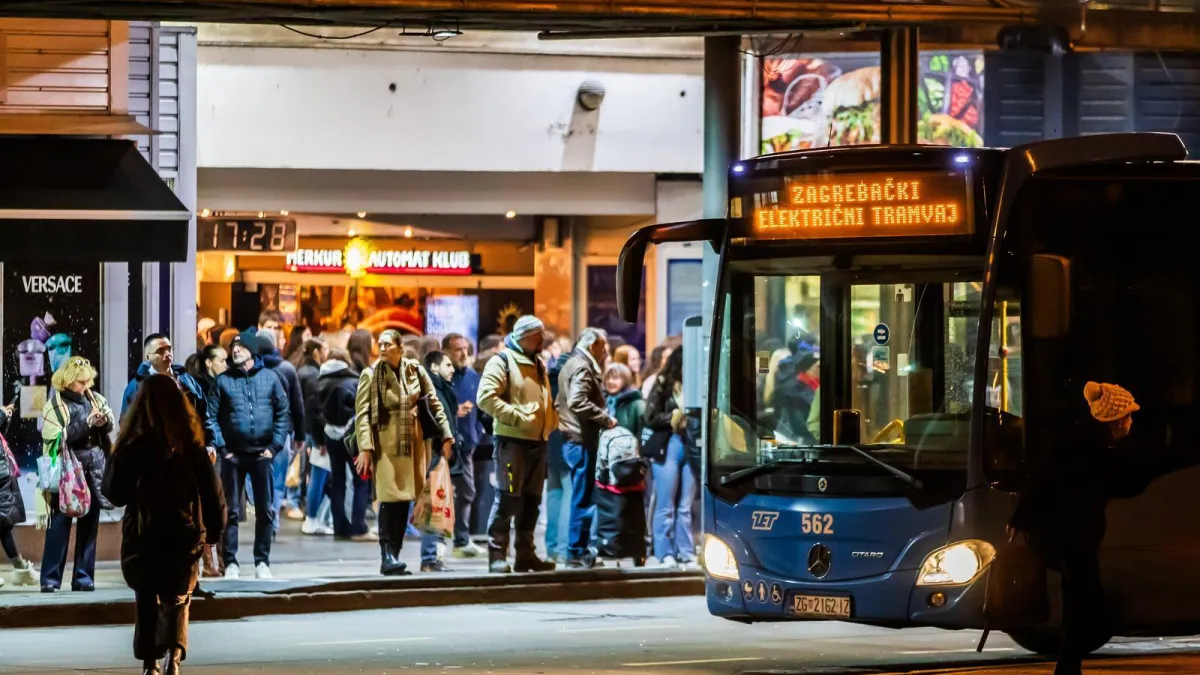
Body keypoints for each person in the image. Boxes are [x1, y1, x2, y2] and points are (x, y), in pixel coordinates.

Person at [1007, 382, 1150, 675]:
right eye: (1129, 415)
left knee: (1078, 598)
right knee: (1085, 601)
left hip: (1057, 535)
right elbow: (1128, 483)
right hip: (1073, 536)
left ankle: (1069, 665)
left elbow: (1040, 479)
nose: (1132, 422)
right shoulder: (1098, 451)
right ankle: (1069, 664)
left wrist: (1019, 519)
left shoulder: (1075, 442)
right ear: (1117, 419)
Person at [102, 375, 225, 675]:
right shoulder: (191, 446)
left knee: (146, 597)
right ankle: (174, 656)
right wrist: (214, 529)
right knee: (178, 597)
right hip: (184, 532)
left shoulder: (132, 445)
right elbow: (212, 492)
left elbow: (114, 492)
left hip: (143, 533)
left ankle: (150, 662)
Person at [354, 330, 454, 576]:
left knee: (404, 501)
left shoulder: (415, 371)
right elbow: (362, 415)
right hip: (385, 446)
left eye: (388, 344)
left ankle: (395, 555)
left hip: (414, 446)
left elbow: (434, 404)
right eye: (380, 344)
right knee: (389, 499)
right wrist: (365, 448)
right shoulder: (371, 374)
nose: (382, 348)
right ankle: (387, 555)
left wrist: (446, 434)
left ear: (399, 347)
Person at [477, 315, 559, 574]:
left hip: (538, 441)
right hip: (511, 441)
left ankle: (526, 554)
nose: (542, 340)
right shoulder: (502, 361)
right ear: (524, 337)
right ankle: (497, 554)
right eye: (538, 336)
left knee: (531, 501)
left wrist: (551, 420)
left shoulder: (538, 363)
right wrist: (517, 417)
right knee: (507, 498)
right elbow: (485, 398)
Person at [207, 334, 289, 580]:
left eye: (241, 347)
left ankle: (262, 561)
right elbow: (211, 417)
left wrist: (274, 447)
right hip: (233, 456)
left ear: (252, 350)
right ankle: (231, 562)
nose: (236, 351)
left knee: (265, 510)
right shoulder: (223, 381)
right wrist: (224, 449)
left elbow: (283, 413)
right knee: (231, 511)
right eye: (234, 347)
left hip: (262, 454)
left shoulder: (270, 378)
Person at [40, 356, 116, 592]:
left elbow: (109, 427)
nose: (85, 386)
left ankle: (83, 577)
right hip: (67, 469)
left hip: (94, 466)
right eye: (80, 382)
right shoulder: (54, 405)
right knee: (59, 523)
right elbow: (55, 438)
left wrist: (102, 423)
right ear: (67, 380)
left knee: (90, 523)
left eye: (87, 381)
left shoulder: (95, 399)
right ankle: (50, 579)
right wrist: (86, 422)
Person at [556, 328, 617, 569]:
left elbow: (561, 402)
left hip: (574, 438)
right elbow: (577, 401)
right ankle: (576, 551)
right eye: (604, 346)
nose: (606, 352)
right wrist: (605, 418)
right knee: (582, 498)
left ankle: (577, 549)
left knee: (580, 496)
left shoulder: (572, 362)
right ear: (593, 345)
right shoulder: (582, 365)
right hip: (580, 439)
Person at [643, 348, 698, 569]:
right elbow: (651, 416)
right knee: (665, 503)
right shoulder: (663, 384)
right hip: (668, 444)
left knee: (685, 505)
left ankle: (685, 551)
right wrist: (674, 417)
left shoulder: (696, 386)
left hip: (689, 444)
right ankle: (664, 552)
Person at [316, 348, 373, 540]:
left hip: (330, 435)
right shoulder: (355, 381)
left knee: (338, 481)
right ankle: (358, 527)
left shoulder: (320, 381)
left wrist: (319, 438)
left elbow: (315, 412)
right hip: (353, 436)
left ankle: (340, 527)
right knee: (361, 480)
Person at [121, 335, 212, 445]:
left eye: (169, 349)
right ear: (147, 356)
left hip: (189, 447)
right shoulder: (137, 386)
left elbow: (205, 414)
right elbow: (127, 424)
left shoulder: (186, 379)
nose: (168, 354)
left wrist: (210, 444)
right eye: (160, 351)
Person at [256, 332, 306, 526]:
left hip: (255, 432)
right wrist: (299, 435)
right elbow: (297, 405)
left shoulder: (247, 368)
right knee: (277, 479)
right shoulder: (287, 369)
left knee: (257, 477)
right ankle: (273, 519)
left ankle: (263, 515)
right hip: (281, 433)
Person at [187, 344, 228, 578]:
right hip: (207, 453)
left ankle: (214, 561)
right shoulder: (203, 390)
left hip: (212, 451)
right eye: (222, 360)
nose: (226, 365)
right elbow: (208, 422)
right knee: (209, 506)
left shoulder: (218, 385)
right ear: (208, 363)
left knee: (212, 507)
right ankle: (211, 561)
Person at [419, 350, 462, 572]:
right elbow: (436, 421)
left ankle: (433, 557)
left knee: (437, 505)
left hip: (438, 454)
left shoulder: (440, 389)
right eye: (447, 365)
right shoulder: (432, 390)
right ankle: (429, 558)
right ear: (434, 367)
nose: (452, 369)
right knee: (433, 506)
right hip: (434, 454)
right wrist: (445, 442)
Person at [442, 333, 485, 559]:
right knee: (439, 493)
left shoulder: (473, 377)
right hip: (442, 445)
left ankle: (461, 539)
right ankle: (437, 542)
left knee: (467, 492)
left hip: (466, 445)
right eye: (458, 349)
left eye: (466, 349)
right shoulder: (439, 377)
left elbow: (480, 408)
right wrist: (453, 412)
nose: (463, 353)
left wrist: (476, 434)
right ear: (446, 352)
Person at [0, 402, 36, 587]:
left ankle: (21, 569)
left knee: (4, 523)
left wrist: (4, 419)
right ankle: (21, 569)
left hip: (2, 473)